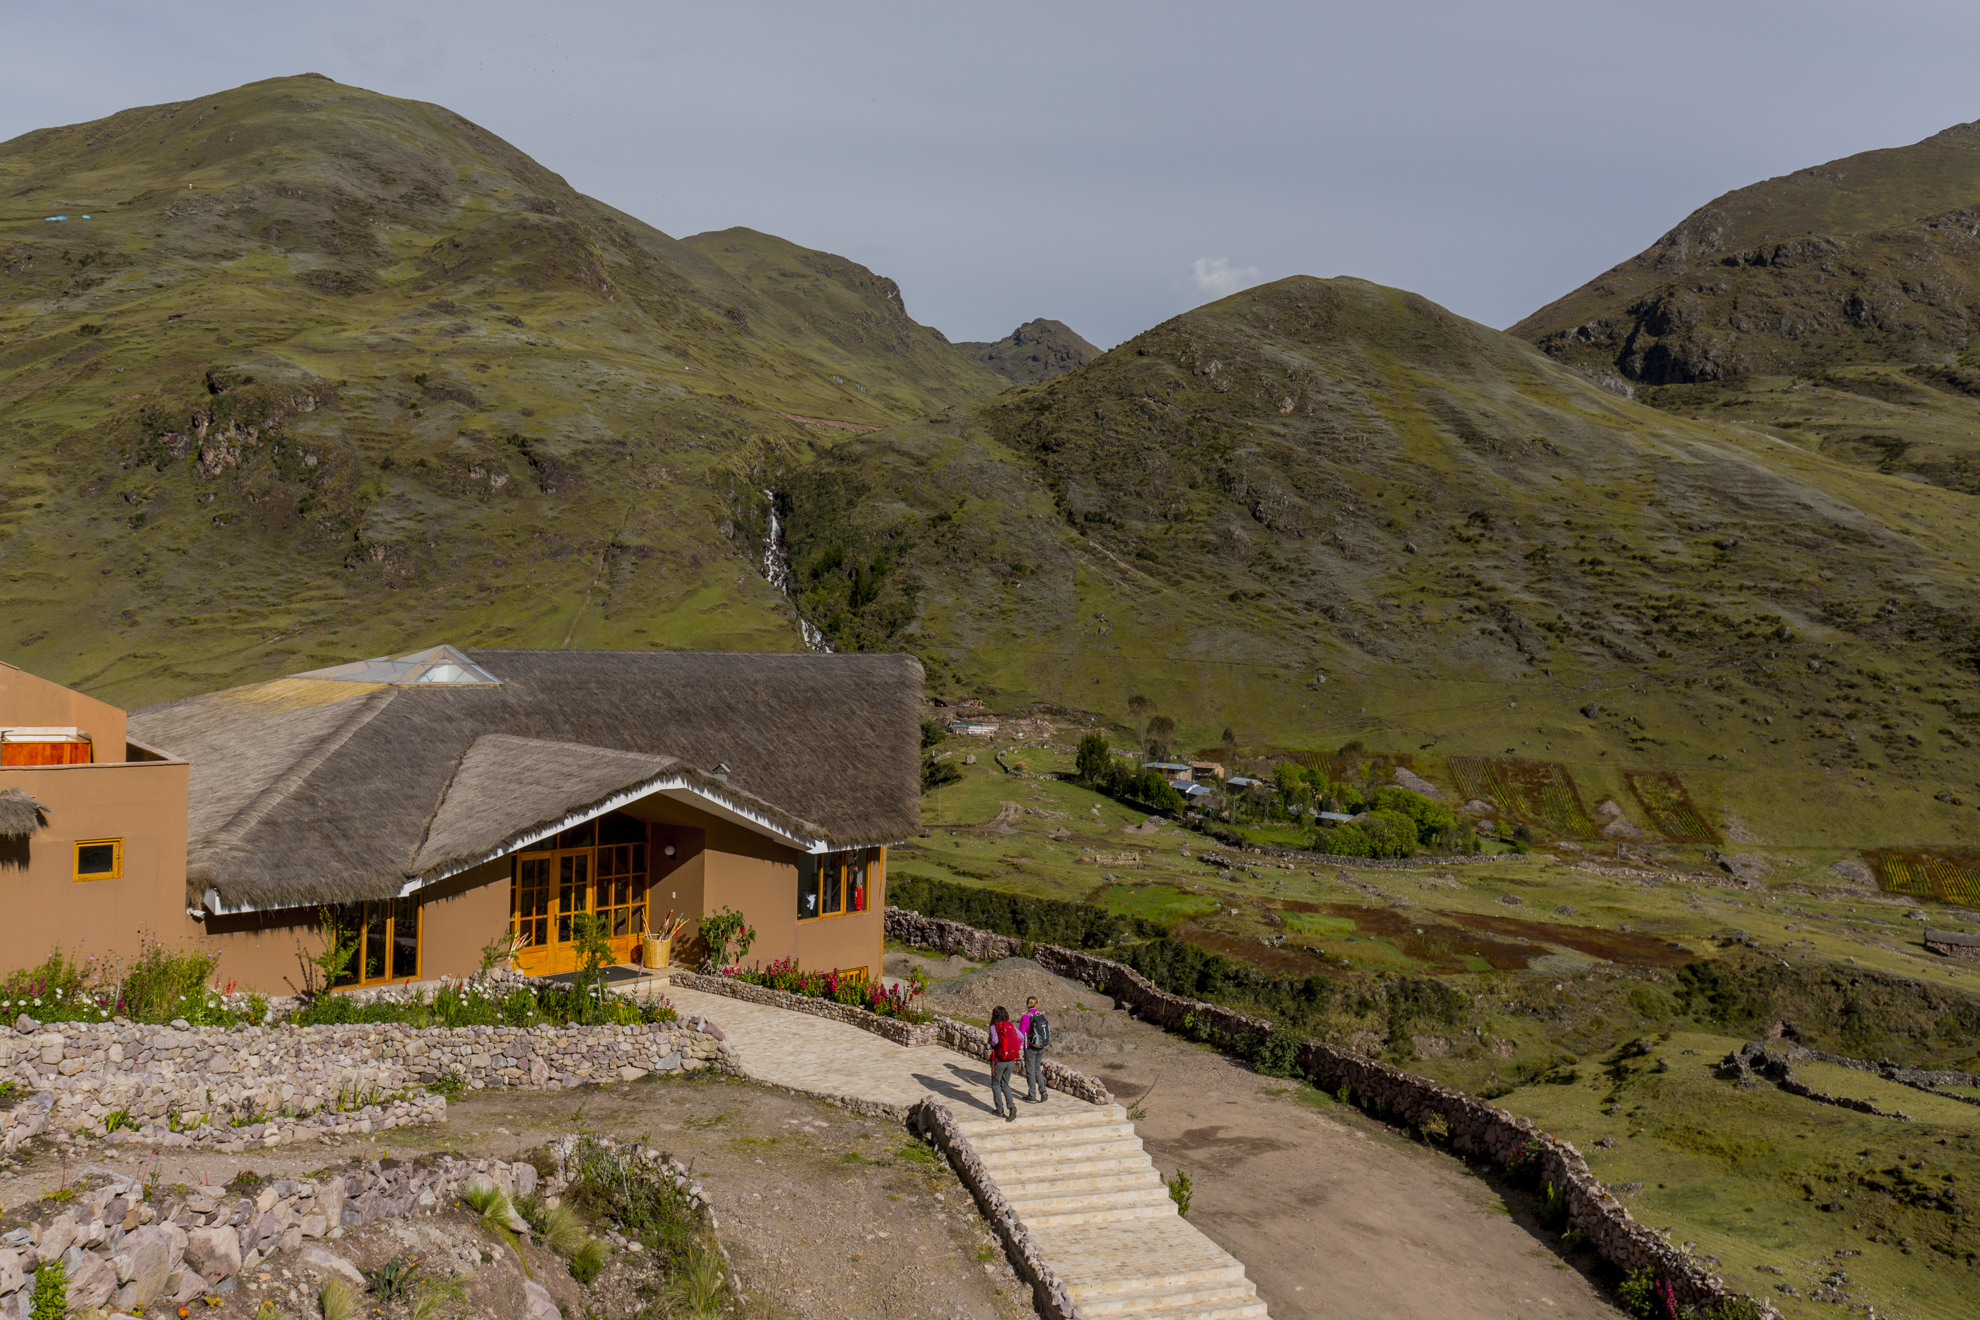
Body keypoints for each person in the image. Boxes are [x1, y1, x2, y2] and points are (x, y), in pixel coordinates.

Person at [988, 1006, 1023, 1121]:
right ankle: (1011, 1107)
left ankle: (999, 1110)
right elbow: (1021, 1036)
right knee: (1005, 1084)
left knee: (996, 1084)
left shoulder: (994, 1026)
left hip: (999, 1060)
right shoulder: (1010, 1025)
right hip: (1011, 1060)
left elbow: (995, 1041)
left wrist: (993, 1045)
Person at [1019, 995, 1051, 1103]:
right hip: (1041, 1046)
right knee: (1037, 1068)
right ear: (1036, 1004)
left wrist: (1017, 1048)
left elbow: (1021, 1035)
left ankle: (1032, 1096)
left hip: (1030, 1047)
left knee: (1030, 1072)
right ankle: (1043, 1092)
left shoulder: (1024, 1017)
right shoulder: (1042, 1015)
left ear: (1027, 1004)